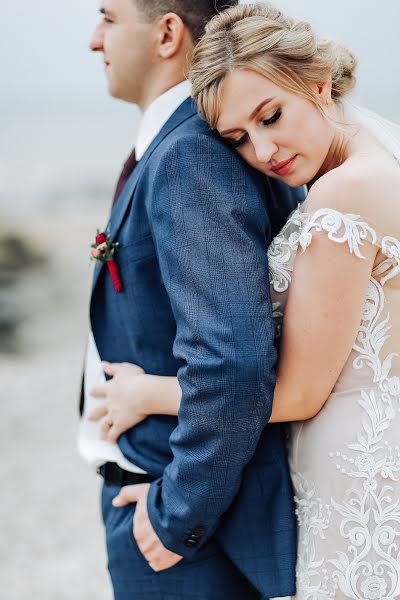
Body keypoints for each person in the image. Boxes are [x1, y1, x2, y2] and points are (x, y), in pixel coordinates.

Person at [90, 3, 400, 599]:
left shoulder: (342, 196)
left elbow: (297, 390)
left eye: (271, 116)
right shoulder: (366, 164)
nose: (263, 151)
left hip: (355, 473)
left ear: (315, 79)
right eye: (239, 137)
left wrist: (148, 392)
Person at [80, 1, 303, 599]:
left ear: (168, 33)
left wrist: (174, 515)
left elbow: (232, 363)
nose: (93, 38)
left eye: (108, 17)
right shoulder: (181, 146)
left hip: (190, 535)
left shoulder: (190, 155)